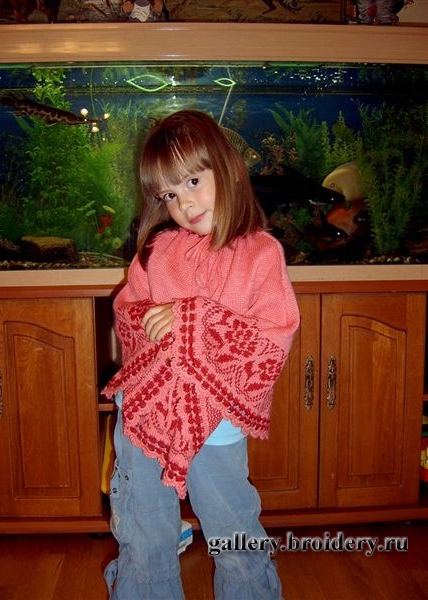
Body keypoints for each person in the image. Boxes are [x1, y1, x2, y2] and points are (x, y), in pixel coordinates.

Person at [102, 109, 300, 599]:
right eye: (169, 194)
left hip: (217, 427)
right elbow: (128, 314)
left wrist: (194, 319)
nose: (185, 203)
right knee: (144, 525)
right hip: (145, 418)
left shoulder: (260, 254)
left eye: (193, 181)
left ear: (227, 169)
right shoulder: (156, 253)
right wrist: (154, 323)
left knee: (233, 527)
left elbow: (273, 335)